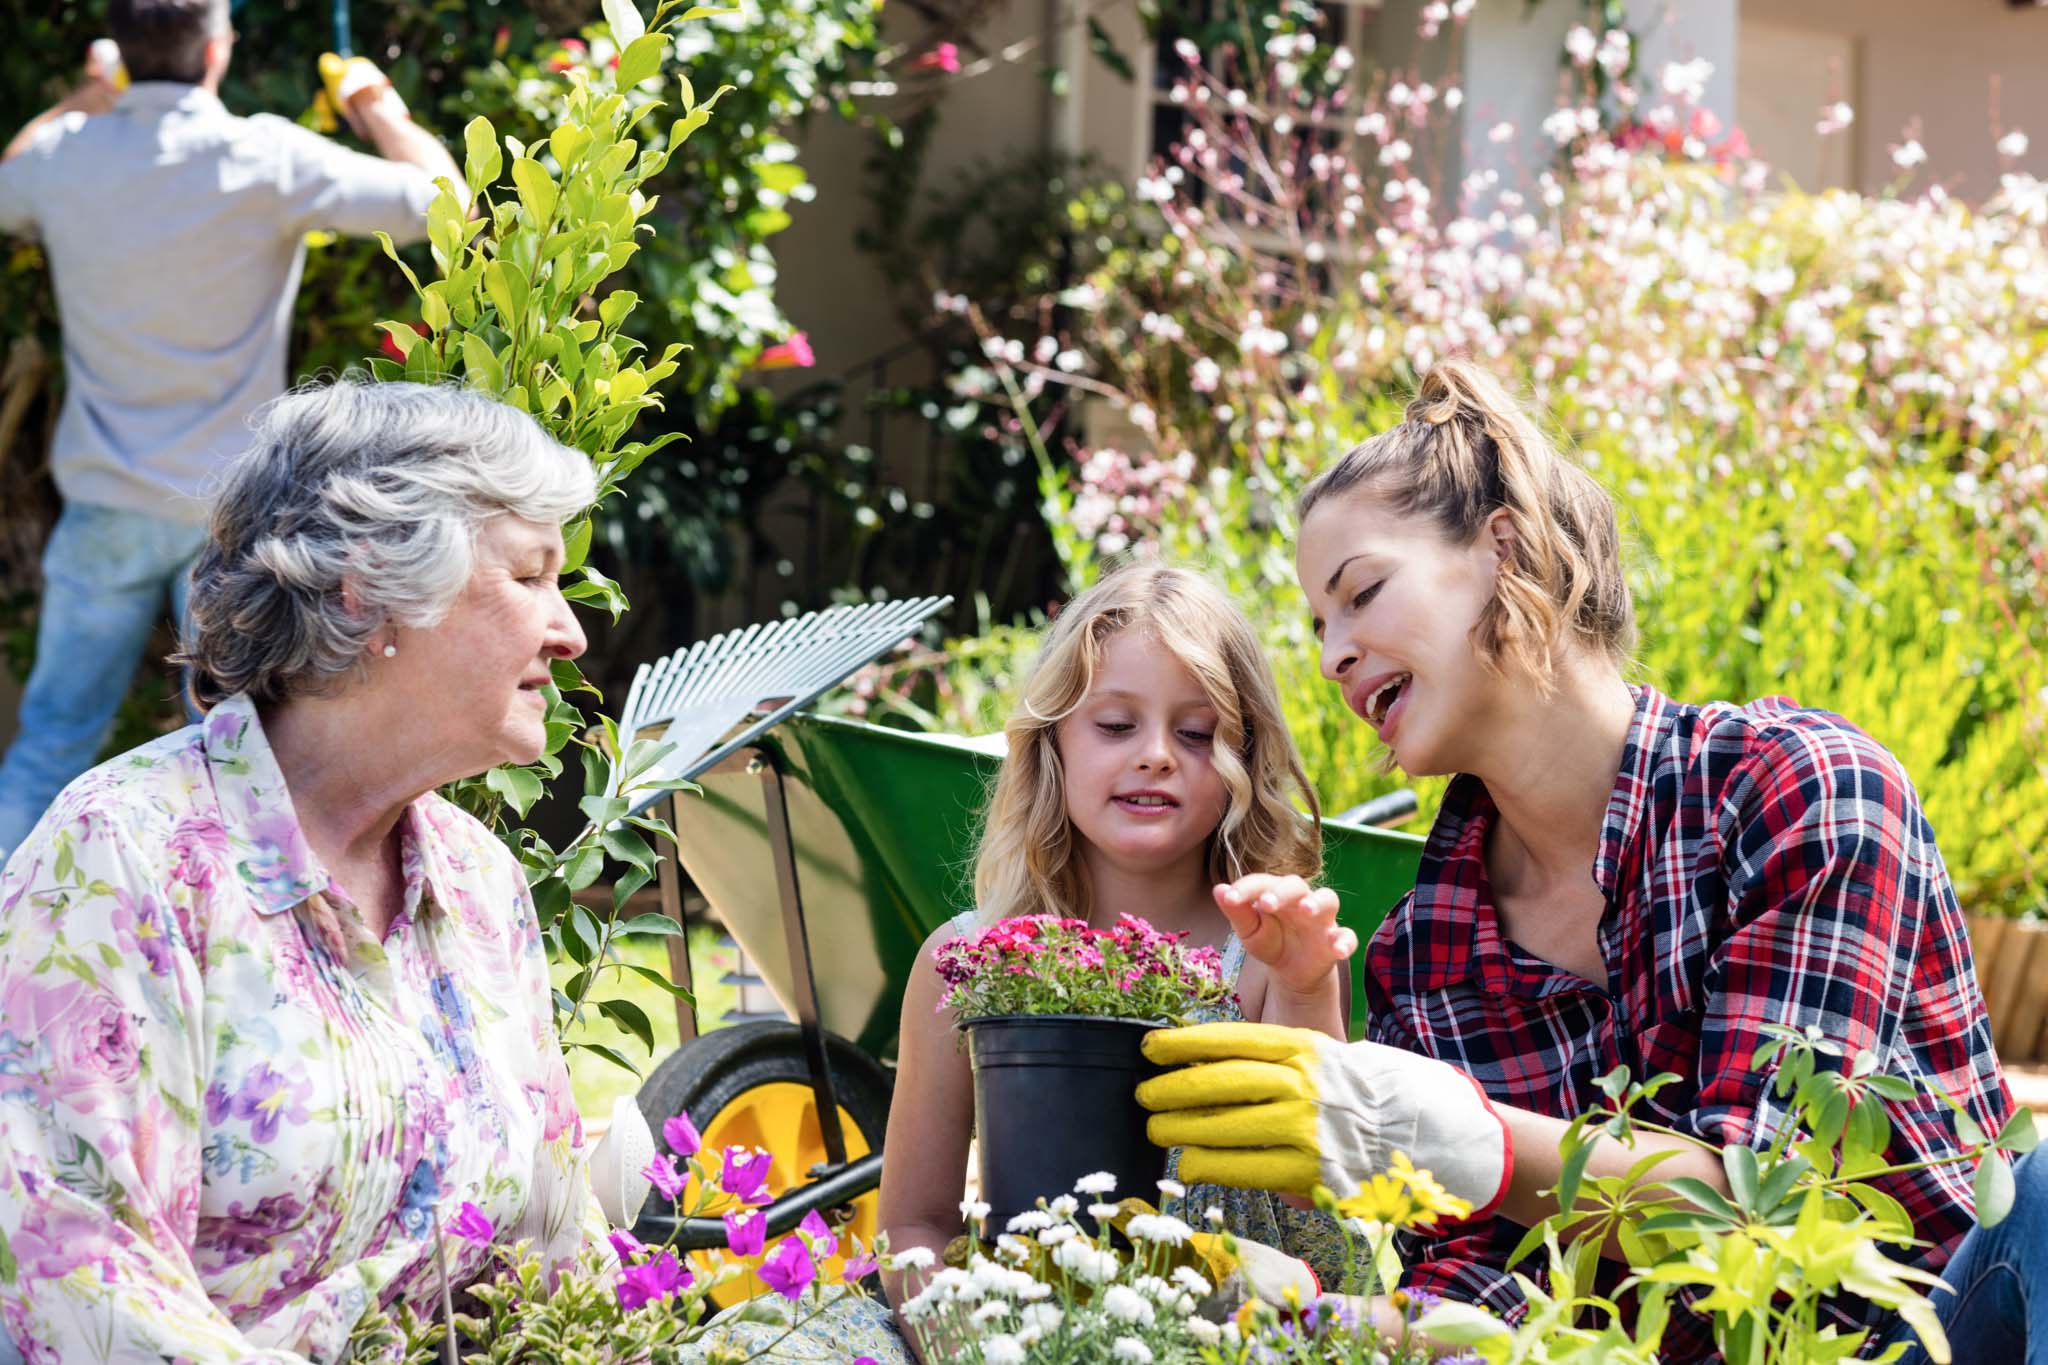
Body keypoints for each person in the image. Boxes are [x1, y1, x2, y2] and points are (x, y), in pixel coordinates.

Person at [1135, 358, 2033, 1361]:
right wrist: (1334, 1331)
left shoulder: (1795, 791)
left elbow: (1776, 1212)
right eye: (1317, 626)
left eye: (1361, 594)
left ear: (1501, 547)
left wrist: (1469, 1137)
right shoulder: (1426, 952)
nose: (1330, 655)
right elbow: (1504, 1292)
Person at [0, 379, 606, 1362]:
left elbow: (554, 1237)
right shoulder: (124, 860)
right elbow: (76, 1271)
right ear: (372, 587)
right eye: (531, 577)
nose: (569, 630)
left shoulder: (477, 879)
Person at [685, 562, 1361, 1362]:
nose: (1156, 755)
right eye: (1115, 726)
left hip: (1221, 1333)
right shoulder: (968, 961)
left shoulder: (1265, 954)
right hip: (1014, 1329)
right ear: (1053, 745)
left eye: (1196, 732)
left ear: (1245, 757)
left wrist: (1306, 982)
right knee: (750, 1346)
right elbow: (915, 1224)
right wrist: (964, 1340)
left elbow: (1318, 1218)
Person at [0, 0, 465, 862]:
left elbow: (6, 180)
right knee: (242, 758)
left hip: (106, 499)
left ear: (124, 56)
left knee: (51, 744)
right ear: (217, 51)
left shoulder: (70, 158)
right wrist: (374, 104)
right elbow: (446, 203)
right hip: (229, 514)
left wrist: (84, 98)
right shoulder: (266, 155)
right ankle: (255, 967)